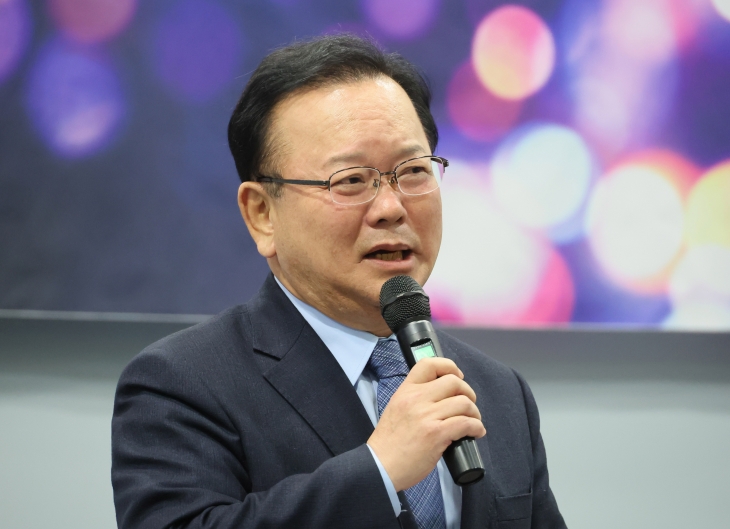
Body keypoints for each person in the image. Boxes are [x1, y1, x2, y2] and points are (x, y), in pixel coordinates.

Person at [112, 34, 566, 529]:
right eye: (351, 180)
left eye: (414, 171)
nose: (391, 207)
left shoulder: (498, 392)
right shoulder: (180, 385)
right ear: (262, 213)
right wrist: (378, 472)